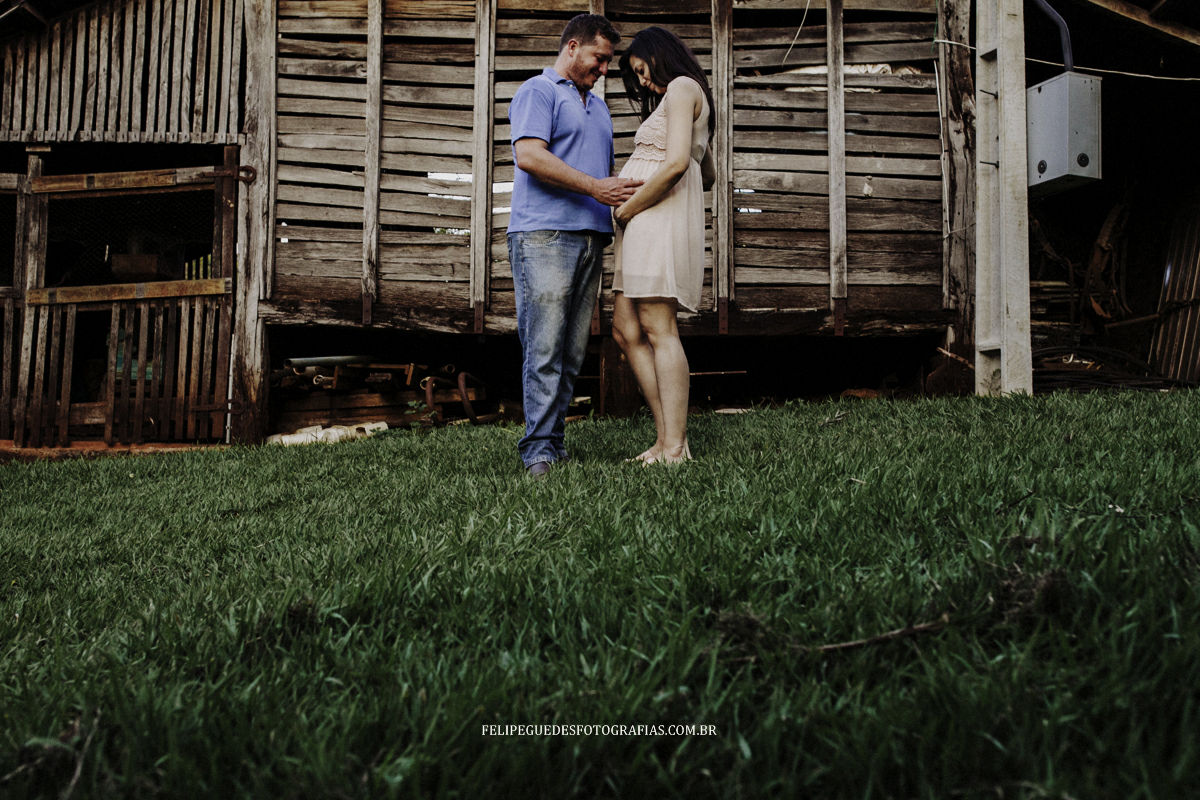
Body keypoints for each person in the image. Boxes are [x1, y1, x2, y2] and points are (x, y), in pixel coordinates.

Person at [507, 14, 643, 479]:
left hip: (591, 238)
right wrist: (594, 188)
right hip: (544, 234)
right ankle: (537, 451)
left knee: (570, 351)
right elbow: (529, 156)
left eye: (608, 61)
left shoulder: (598, 107)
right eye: (598, 58)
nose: (604, 69)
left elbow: (605, 182)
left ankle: (554, 442)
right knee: (544, 346)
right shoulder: (537, 92)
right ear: (571, 48)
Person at [611, 27, 716, 464]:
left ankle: (674, 446)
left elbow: (676, 164)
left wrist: (628, 207)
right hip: (643, 218)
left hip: (649, 216)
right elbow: (703, 171)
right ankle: (666, 437)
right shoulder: (681, 96)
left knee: (658, 328)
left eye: (643, 71)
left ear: (659, 55)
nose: (644, 84)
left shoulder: (682, 86)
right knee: (626, 329)